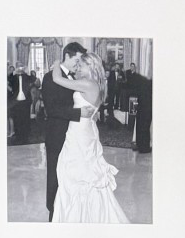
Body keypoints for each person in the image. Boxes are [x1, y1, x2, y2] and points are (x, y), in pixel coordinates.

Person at [49, 50, 128, 223]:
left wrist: (56, 63)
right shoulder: (95, 84)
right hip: (87, 129)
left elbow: (57, 79)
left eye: (81, 64)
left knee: (78, 173)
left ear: (90, 66)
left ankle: (79, 216)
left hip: (80, 131)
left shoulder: (87, 83)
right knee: (85, 171)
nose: (78, 66)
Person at [40, 41, 90, 219]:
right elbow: (52, 109)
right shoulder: (49, 77)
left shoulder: (73, 78)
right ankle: (53, 211)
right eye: (76, 60)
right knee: (55, 173)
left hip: (72, 135)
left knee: (68, 174)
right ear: (67, 56)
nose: (78, 64)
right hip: (56, 134)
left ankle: (66, 211)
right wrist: (79, 112)